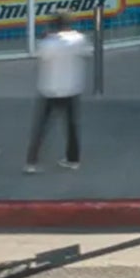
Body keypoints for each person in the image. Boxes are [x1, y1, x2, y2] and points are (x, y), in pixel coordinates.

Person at [25, 20, 88, 173]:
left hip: (51, 89)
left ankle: (31, 162)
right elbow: (86, 52)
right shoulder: (78, 39)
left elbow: (41, 56)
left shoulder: (49, 43)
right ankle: (73, 160)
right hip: (71, 89)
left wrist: (46, 38)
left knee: (41, 127)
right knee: (72, 126)